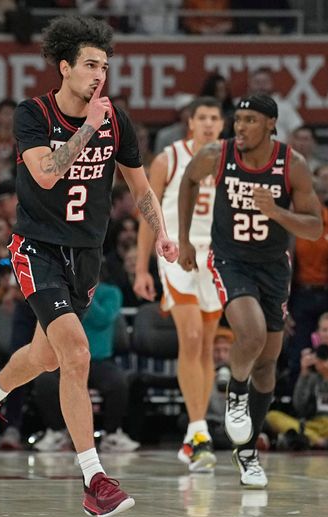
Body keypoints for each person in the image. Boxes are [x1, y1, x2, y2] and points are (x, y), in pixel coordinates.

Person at [0, 16, 177, 517]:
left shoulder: (116, 120)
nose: (99, 74)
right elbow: (45, 172)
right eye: (89, 64)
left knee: (47, 358)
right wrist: (86, 131)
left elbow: (141, 189)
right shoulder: (32, 114)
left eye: (104, 65)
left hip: (85, 256)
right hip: (36, 249)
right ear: (65, 67)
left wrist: (162, 232)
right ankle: (94, 478)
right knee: (77, 352)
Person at [177, 94, 322, 488]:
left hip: (274, 268)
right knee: (252, 334)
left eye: (250, 120)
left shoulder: (293, 164)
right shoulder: (216, 154)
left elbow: (315, 227)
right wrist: (185, 239)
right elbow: (188, 182)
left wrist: (278, 212)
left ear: (271, 125)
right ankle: (234, 393)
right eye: (237, 119)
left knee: (267, 363)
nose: (240, 127)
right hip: (230, 261)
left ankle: (248, 453)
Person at [134, 96, 225, 473]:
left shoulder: (229, 160)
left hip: (215, 258)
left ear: (222, 125)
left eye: (214, 118)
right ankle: (200, 430)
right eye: (201, 117)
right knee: (188, 339)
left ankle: (193, 434)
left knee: (205, 345)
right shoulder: (168, 158)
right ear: (190, 123)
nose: (207, 123)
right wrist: (141, 268)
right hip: (176, 251)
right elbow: (147, 213)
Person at [32, 264, 140, 453]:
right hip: (64, 357)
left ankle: (112, 434)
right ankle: (57, 432)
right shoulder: (62, 292)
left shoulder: (111, 293)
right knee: (44, 381)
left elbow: (103, 318)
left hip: (99, 359)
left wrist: (84, 293)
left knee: (118, 383)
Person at [284, 170, 328, 390]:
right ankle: (298, 408)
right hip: (299, 296)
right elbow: (279, 265)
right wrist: (283, 308)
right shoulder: (289, 224)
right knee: (299, 352)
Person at [266, 312, 328, 451]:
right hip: (312, 423)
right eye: (324, 330)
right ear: (318, 334)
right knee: (272, 417)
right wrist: (304, 374)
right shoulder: (312, 360)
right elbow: (299, 406)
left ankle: (305, 440)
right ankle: (324, 443)